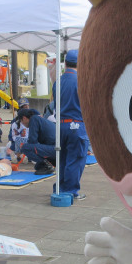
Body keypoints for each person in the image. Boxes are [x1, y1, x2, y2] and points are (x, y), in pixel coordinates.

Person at [51, 49, 89, 199]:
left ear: (65, 63)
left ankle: (59, 189)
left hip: (61, 125)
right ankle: (71, 191)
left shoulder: (58, 82)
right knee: (75, 160)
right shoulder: (82, 82)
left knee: (61, 159)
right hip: (77, 125)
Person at [18, 107, 57, 175]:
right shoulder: (39, 119)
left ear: (24, 118)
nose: (22, 123)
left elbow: (32, 141)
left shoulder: (34, 120)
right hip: (57, 149)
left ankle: (48, 166)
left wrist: (21, 152)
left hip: (55, 149)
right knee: (38, 166)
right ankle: (50, 164)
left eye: (21, 121)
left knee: (25, 147)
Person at [8, 97, 30, 162]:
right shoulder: (32, 118)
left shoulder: (14, 121)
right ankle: (22, 155)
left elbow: (11, 137)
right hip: (27, 142)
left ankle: (18, 155)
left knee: (9, 148)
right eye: (25, 107)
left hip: (18, 142)